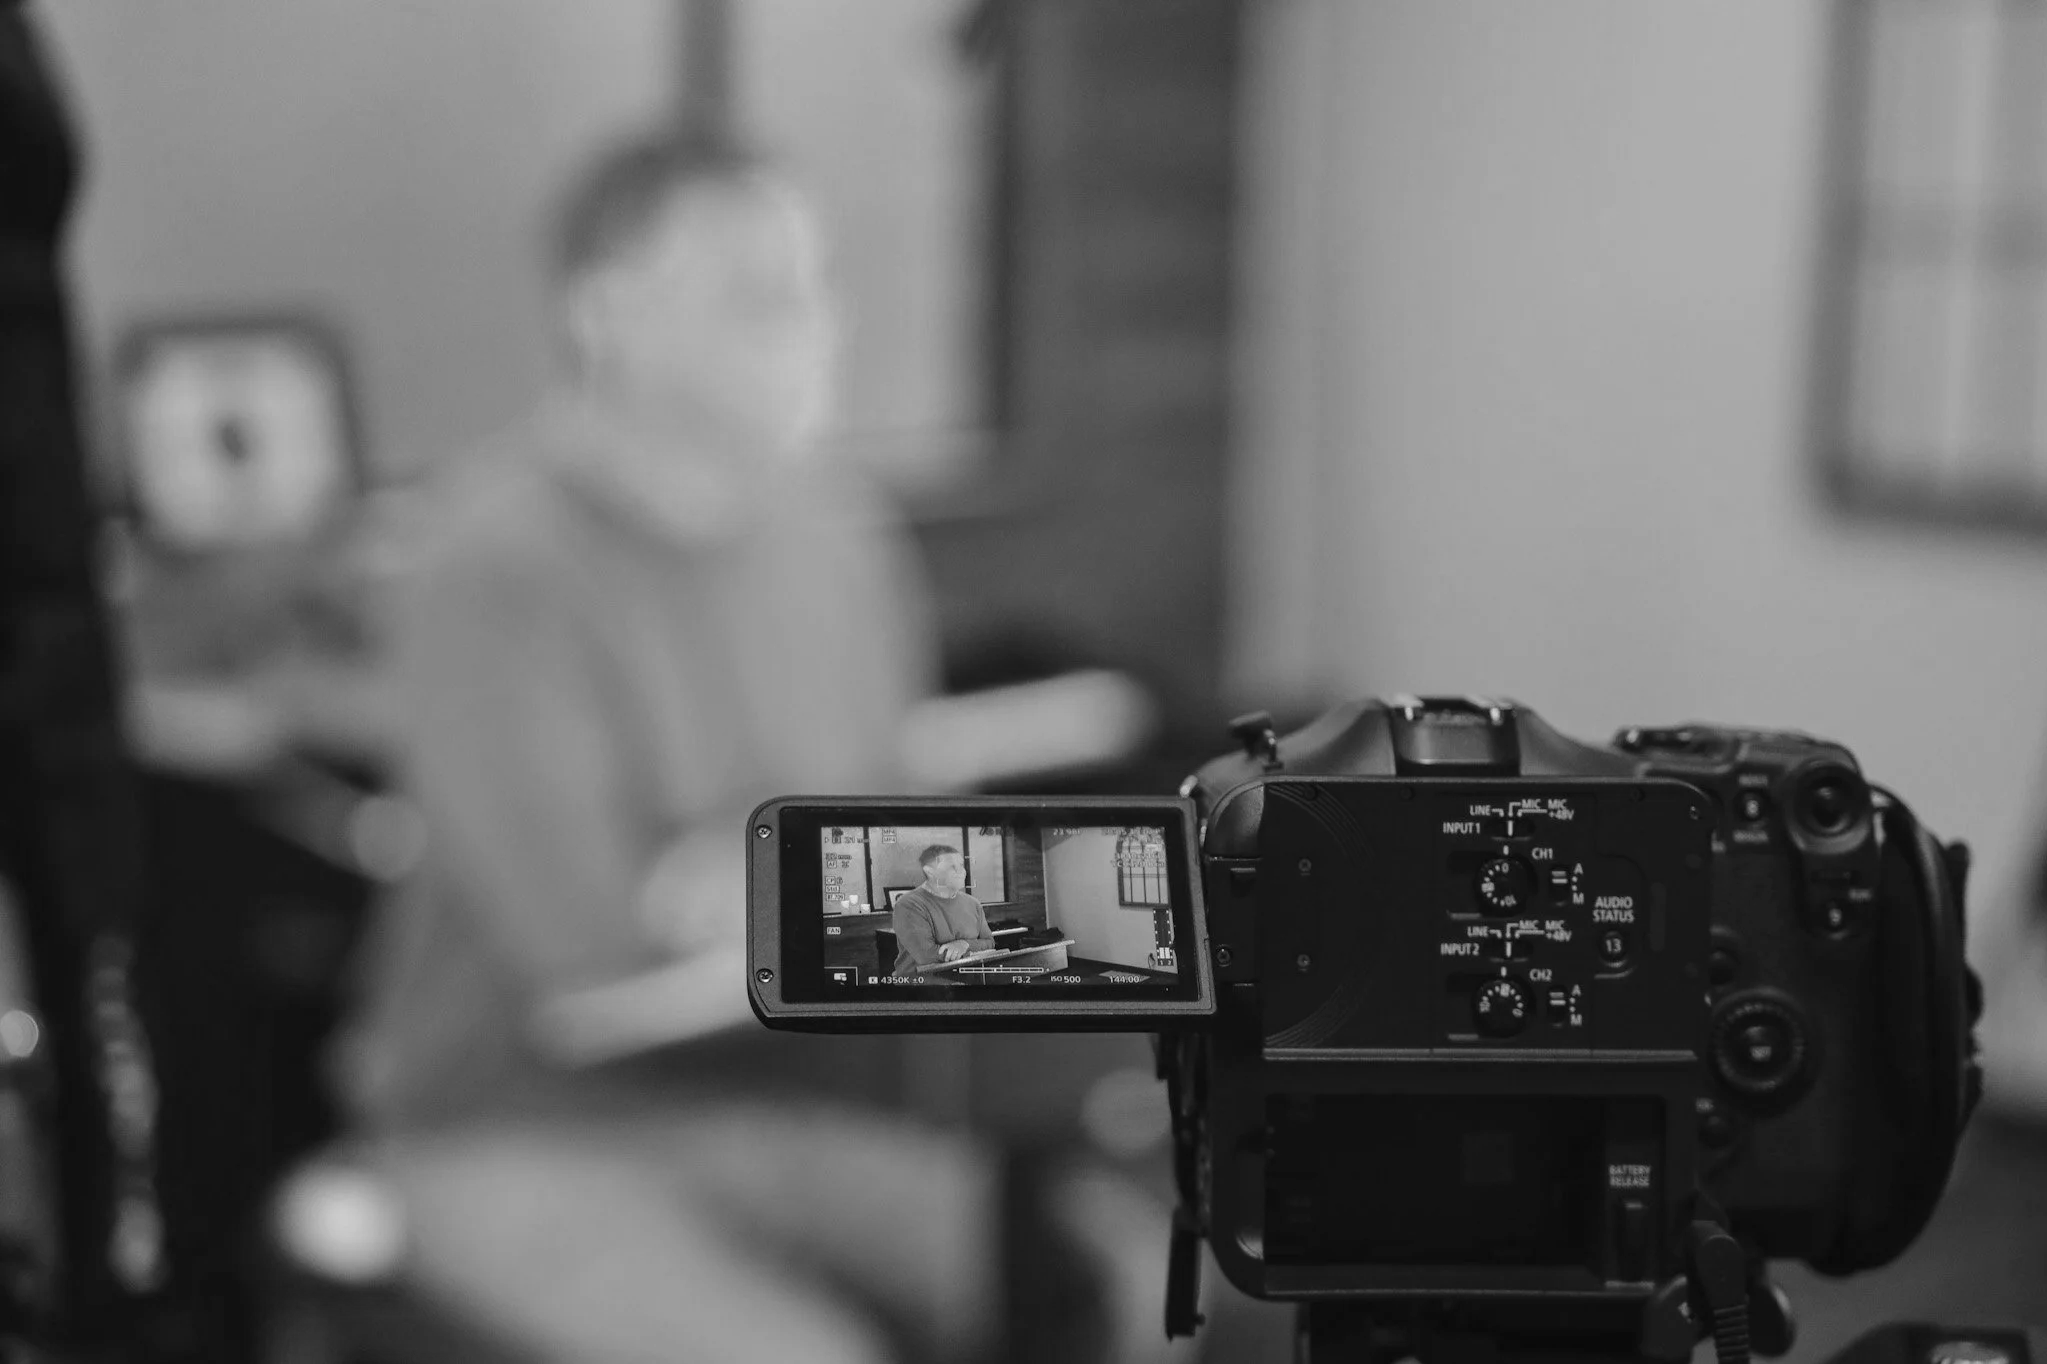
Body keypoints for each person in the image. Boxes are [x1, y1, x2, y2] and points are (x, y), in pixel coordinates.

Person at [320, 134, 1182, 1364]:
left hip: (802, 1098)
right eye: (757, 295)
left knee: (1148, 1286)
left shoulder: (840, 535)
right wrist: (842, 888)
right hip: (518, 1130)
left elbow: (896, 865)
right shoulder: (489, 568)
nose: (815, 329)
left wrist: (754, 879)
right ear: (609, 316)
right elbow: (592, 956)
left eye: (814, 287)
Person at [892, 844, 995, 973]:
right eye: (951, 866)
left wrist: (965, 944)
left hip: (968, 978)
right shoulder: (909, 904)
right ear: (930, 872)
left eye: (961, 865)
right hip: (921, 981)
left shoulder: (973, 903)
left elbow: (989, 942)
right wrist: (974, 950)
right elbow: (926, 956)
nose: (961, 871)